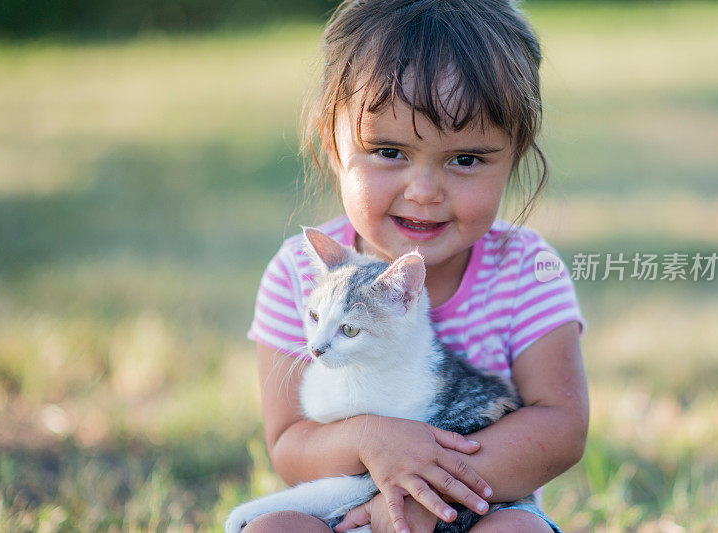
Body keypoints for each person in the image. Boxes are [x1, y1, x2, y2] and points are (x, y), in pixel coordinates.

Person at [244, 1, 589, 531]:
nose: (424, 192)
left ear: (514, 156)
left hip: (480, 507)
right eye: (388, 150)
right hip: (344, 507)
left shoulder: (526, 268)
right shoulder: (301, 272)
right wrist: (369, 440)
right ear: (332, 144)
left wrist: (421, 493)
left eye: (466, 159)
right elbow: (290, 446)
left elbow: (560, 427)